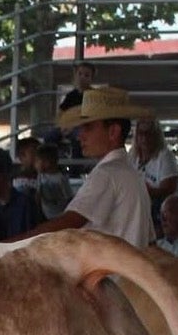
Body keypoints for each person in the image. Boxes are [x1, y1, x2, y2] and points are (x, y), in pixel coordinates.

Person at [26, 87, 155, 248]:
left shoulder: (107, 173)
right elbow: (150, 242)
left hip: (111, 273)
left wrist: (9, 247)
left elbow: (68, 223)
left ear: (113, 132)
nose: (80, 135)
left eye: (88, 127)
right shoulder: (132, 174)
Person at [128, 117, 178, 232]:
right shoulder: (133, 156)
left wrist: (147, 190)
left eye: (149, 134)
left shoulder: (165, 156)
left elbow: (170, 188)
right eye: (141, 134)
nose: (144, 138)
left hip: (160, 209)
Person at [33, 143, 75, 220]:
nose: (35, 164)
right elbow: (38, 195)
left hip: (60, 215)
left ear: (47, 162)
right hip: (45, 215)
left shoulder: (61, 179)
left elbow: (69, 197)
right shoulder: (40, 176)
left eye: (37, 161)